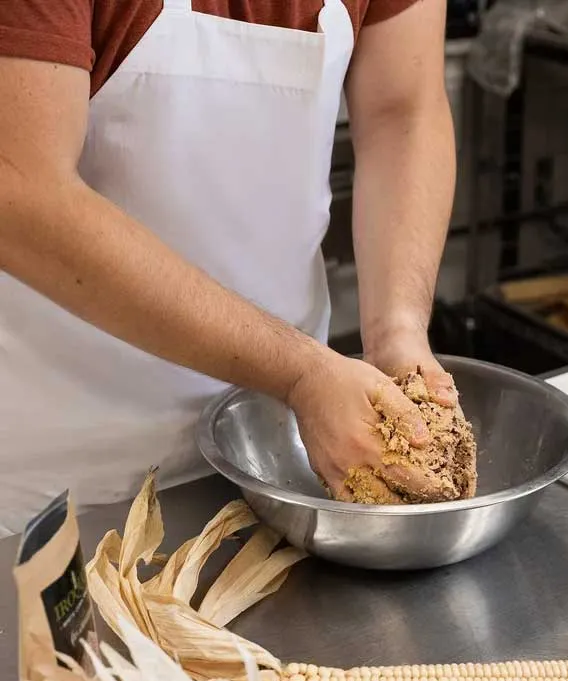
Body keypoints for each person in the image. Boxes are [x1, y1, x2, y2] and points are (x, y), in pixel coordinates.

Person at [0, 0, 458, 536]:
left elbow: (402, 108)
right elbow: (21, 191)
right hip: (60, 474)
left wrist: (396, 330)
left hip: (287, 459)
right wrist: (301, 372)